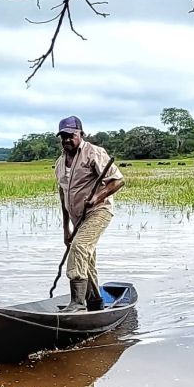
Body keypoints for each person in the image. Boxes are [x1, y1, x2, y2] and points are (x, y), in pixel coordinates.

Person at [55, 116, 124, 312]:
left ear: (80, 134)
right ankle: (94, 302)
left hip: (99, 211)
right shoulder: (60, 163)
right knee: (86, 259)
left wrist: (97, 197)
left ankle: (77, 302)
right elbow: (63, 197)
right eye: (63, 136)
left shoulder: (93, 152)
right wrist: (66, 229)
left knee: (79, 247)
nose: (67, 140)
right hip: (78, 217)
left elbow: (117, 181)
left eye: (71, 135)